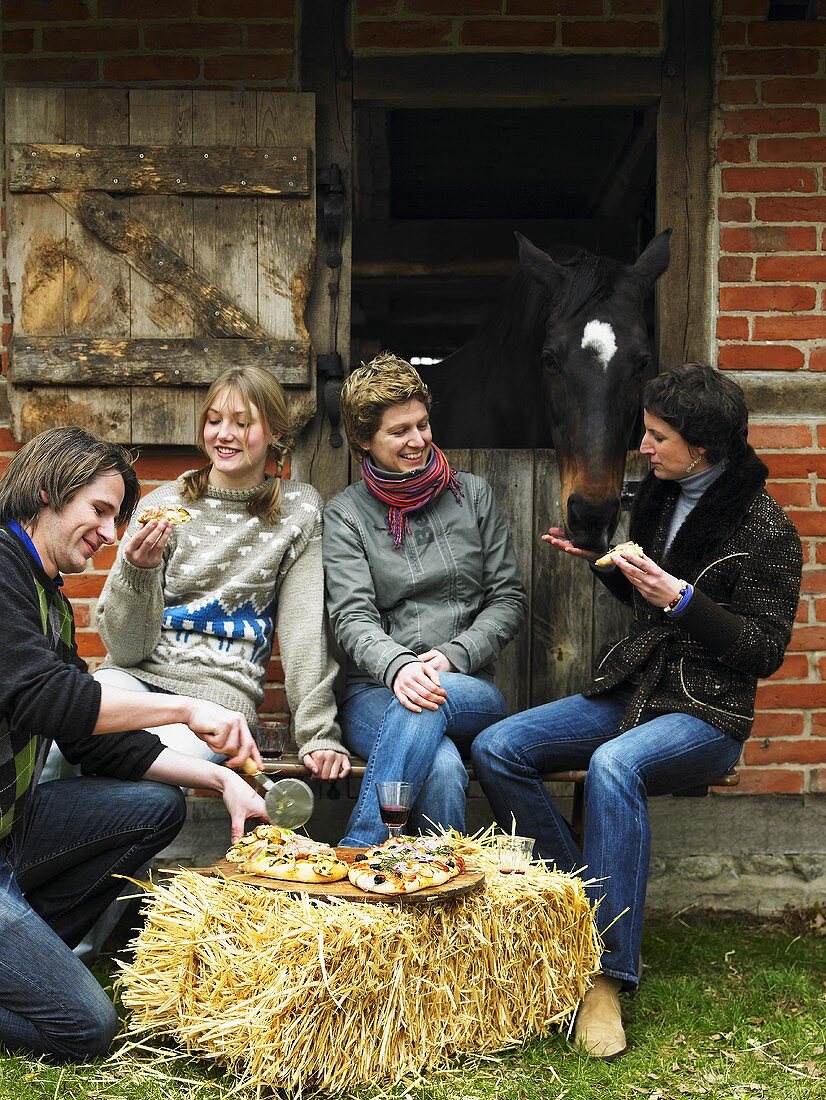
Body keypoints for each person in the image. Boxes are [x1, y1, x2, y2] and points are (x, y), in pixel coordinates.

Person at [471, 363, 803, 1060]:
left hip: (707, 711)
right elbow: (647, 597)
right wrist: (603, 560)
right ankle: (581, 912)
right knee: (500, 746)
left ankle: (605, 977)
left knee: (613, 764)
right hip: (637, 689)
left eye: (657, 437)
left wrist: (685, 600)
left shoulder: (767, 526)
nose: (642, 448)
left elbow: (764, 650)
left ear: (703, 446)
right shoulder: (659, 492)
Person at [0, 427, 268, 1061]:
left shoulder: (47, 597)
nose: (111, 533)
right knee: (86, 1028)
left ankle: (26, 951)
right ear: (46, 492)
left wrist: (222, 779)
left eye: (116, 516)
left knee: (156, 805)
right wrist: (186, 705)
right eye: (98, 510)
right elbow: (49, 700)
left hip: (11, 831)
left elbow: (92, 741)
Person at [95, 364, 349, 779]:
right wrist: (137, 572)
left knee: (150, 768)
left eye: (242, 423)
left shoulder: (299, 512)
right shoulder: (163, 505)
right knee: (61, 752)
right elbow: (125, 650)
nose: (224, 434)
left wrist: (317, 733)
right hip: (134, 678)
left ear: (276, 434)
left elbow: (304, 630)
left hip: (219, 694)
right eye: (214, 421)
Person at [323, 353, 527, 847]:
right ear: (364, 442)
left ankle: (360, 850)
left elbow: (508, 599)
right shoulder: (346, 515)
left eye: (423, 424)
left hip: (468, 687)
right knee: (440, 768)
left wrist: (455, 656)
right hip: (374, 691)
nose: (418, 440)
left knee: (425, 701)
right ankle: (436, 905)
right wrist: (398, 667)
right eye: (399, 431)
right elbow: (351, 617)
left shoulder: (473, 497)